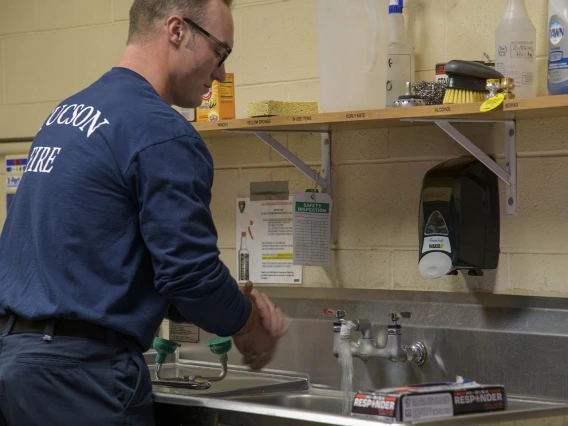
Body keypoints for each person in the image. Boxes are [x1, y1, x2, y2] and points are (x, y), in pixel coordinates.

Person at [0, 0, 289, 425]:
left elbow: (111, 268)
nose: (220, 73)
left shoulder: (65, 115)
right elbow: (190, 275)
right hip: (81, 379)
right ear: (177, 30)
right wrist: (247, 326)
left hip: (16, 364)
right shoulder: (160, 130)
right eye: (220, 52)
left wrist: (228, 307)